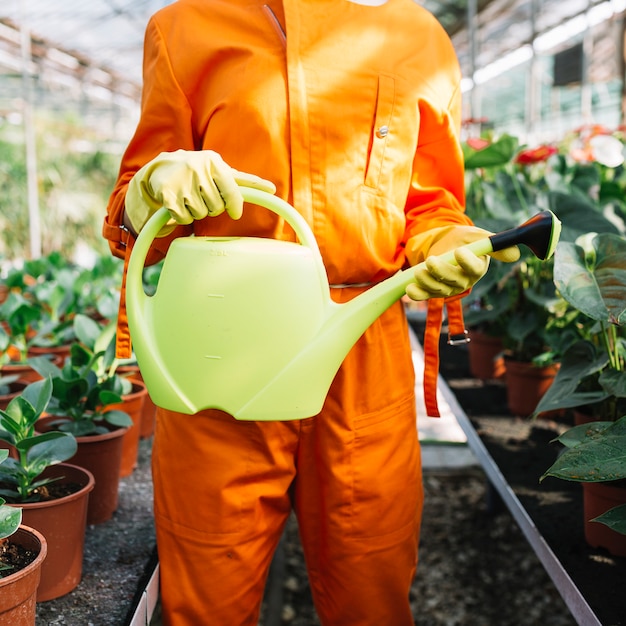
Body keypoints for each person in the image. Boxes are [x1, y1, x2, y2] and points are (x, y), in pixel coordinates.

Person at [103, 1, 518, 624]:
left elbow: (431, 203)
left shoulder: (415, 35)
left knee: (371, 591)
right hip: (219, 346)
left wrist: (445, 242)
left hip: (361, 345)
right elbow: (137, 217)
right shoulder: (186, 27)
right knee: (206, 602)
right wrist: (151, 186)